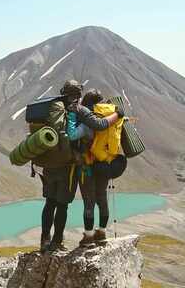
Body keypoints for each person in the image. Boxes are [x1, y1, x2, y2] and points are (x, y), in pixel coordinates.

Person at [40, 81, 120, 251]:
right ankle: (59, 242)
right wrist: (117, 115)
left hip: (51, 165)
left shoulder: (55, 107)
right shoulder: (83, 113)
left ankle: (46, 240)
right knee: (65, 204)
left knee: (51, 203)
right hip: (76, 166)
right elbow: (96, 127)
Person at [77, 89, 124, 245]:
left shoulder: (86, 118)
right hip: (104, 163)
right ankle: (102, 232)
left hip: (87, 165)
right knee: (102, 198)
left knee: (88, 202)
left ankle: (88, 236)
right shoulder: (111, 117)